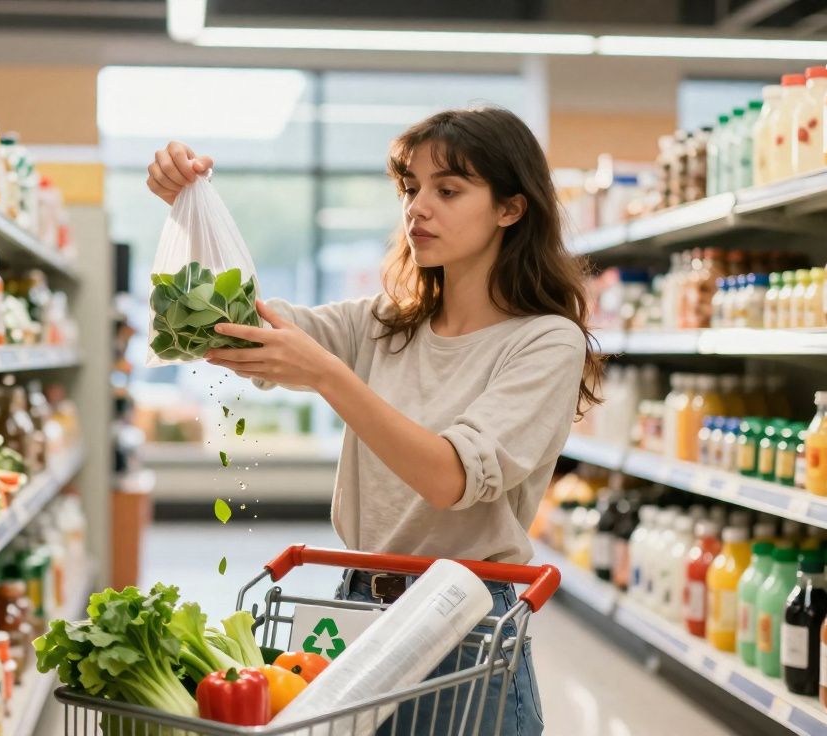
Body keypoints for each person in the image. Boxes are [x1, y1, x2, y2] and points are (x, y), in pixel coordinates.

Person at [146, 107, 602, 736]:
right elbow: (237, 328)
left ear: (510, 209)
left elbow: (449, 478)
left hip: (465, 625)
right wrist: (191, 205)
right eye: (411, 188)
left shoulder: (545, 342)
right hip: (356, 606)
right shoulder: (384, 324)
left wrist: (329, 376)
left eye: (448, 190)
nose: (418, 207)